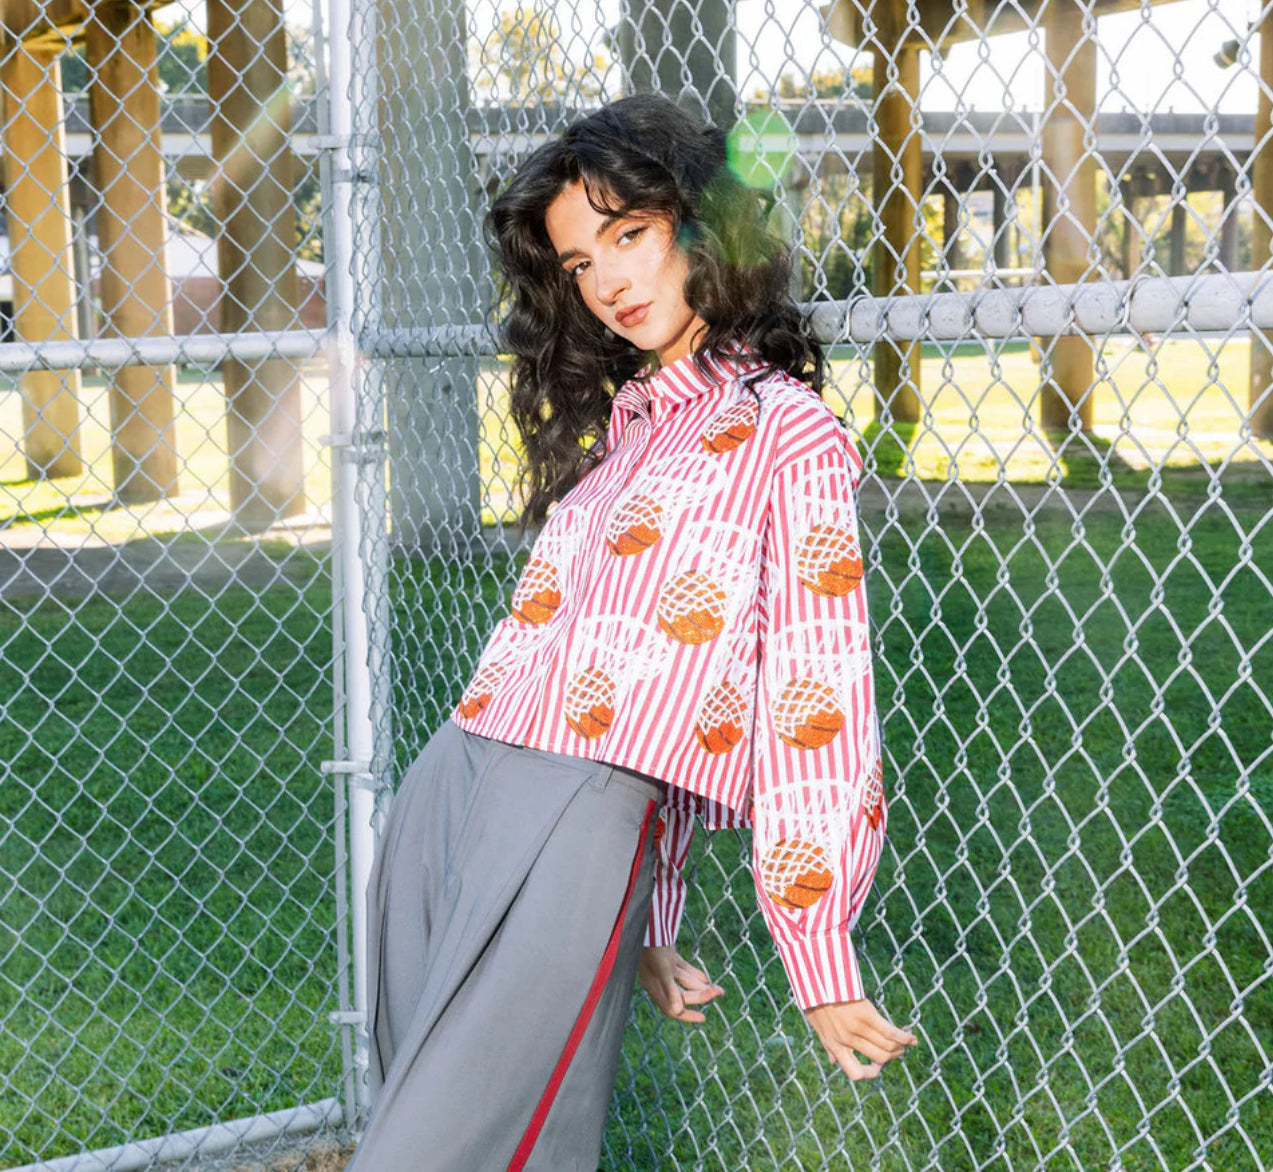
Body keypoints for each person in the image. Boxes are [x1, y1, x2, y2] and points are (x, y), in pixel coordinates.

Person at [343, 92, 917, 1172]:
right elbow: (658, 679)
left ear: (702, 224)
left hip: (573, 815)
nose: (605, 280)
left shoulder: (786, 435)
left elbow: (809, 694)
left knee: (442, 1149)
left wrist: (817, 947)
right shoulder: (630, 428)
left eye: (628, 234)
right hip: (456, 777)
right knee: (410, 1104)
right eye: (576, 264)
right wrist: (655, 918)